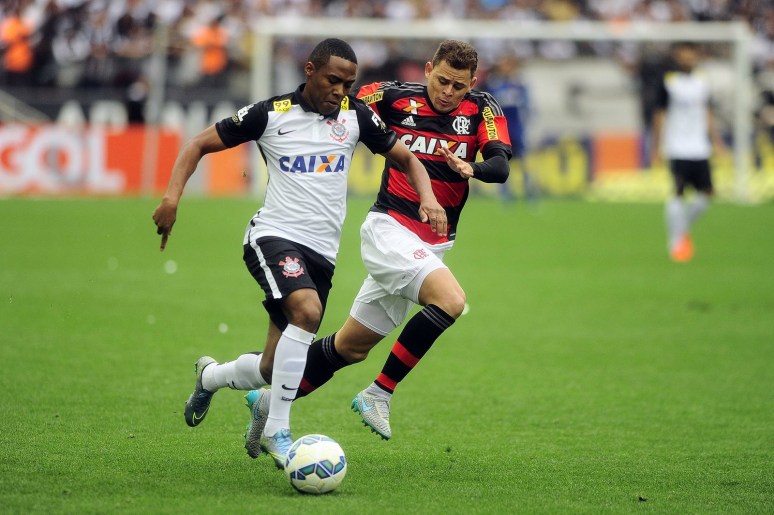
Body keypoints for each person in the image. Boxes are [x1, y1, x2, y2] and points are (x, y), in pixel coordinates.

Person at [152, 38, 446, 468]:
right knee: (307, 312)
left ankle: (210, 376)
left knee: (273, 367)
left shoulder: (355, 116)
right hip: (273, 236)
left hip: (321, 254)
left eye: (348, 84)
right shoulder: (270, 114)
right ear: (310, 71)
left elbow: (408, 159)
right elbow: (197, 144)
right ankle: (278, 432)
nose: (339, 91)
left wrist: (428, 199)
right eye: (333, 80)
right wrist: (171, 198)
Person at [243, 39, 512, 444]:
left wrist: (472, 168)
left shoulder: (482, 109)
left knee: (350, 348)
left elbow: (501, 166)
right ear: (428, 70)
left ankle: (268, 402)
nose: (448, 92)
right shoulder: (391, 96)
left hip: (433, 245)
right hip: (389, 230)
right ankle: (379, 393)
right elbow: (336, 101)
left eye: (459, 86)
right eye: (442, 81)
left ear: (472, 84)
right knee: (451, 301)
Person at [651, 42, 725, 263]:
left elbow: (708, 112)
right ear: (677, 57)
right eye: (683, 55)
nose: (687, 59)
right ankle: (675, 241)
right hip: (677, 146)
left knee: (708, 193)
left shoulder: (702, 81)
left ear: (696, 56)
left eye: (690, 55)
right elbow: (659, 114)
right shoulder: (669, 82)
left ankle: (681, 229)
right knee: (678, 192)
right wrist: (656, 146)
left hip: (699, 146)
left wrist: (716, 141)